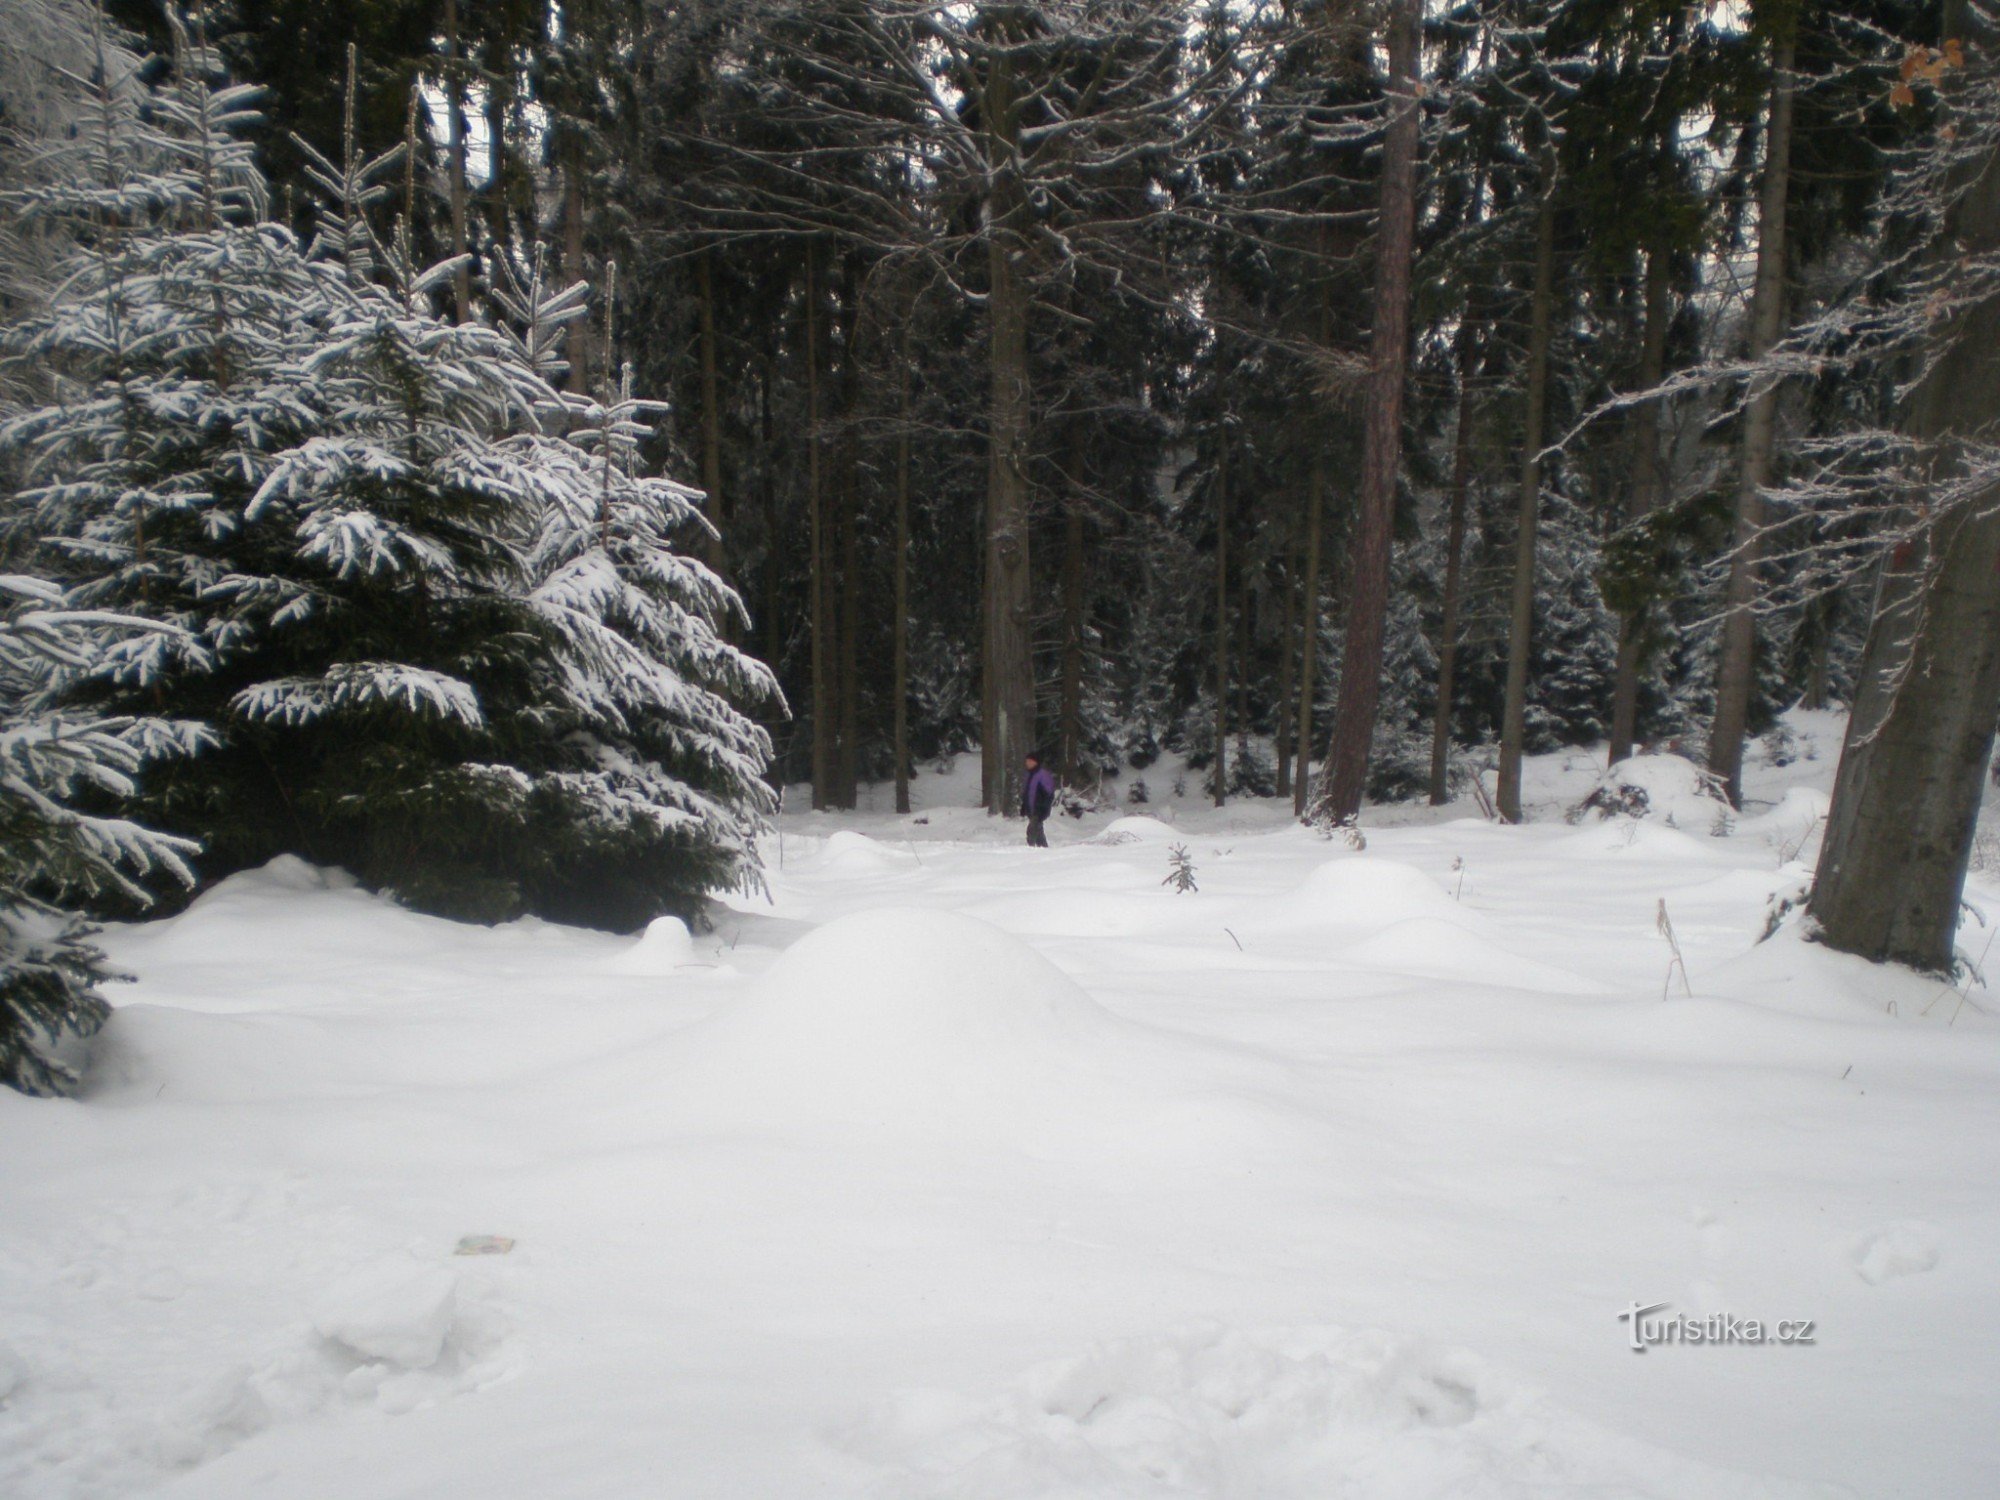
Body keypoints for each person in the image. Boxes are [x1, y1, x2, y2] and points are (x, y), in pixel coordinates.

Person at [1021, 752, 1057, 847]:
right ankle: (1043, 848)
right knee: (1038, 831)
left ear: (1035, 762)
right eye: (1026, 761)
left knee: (1031, 830)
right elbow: (1027, 793)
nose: (1027, 763)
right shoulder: (1028, 775)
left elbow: (1049, 794)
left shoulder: (1043, 775)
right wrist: (1024, 806)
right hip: (1031, 808)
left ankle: (1030, 848)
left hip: (1039, 809)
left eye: (1029, 761)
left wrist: (1044, 806)